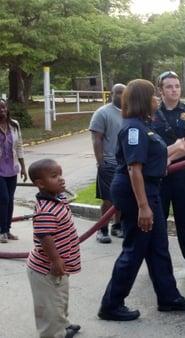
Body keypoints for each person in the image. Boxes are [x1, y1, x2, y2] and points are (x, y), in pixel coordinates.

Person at [98, 79, 185, 321]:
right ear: (143, 100)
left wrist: (173, 150)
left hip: (149, 188)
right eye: (153, 96)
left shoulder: (144, 126)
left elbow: (152, 161)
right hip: (136, 193)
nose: (157, 99)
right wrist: (143, 207)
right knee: (135, 249)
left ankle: (168, 297)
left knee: (158, 247)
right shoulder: (134, 129)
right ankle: (111, 304)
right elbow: (134, 169)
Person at [151, 71, 185, 277]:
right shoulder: (152, 113)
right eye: (169, 86)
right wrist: (163, 160)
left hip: (182, 174)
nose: (174, 90)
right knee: (158, 223)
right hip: (157, 178)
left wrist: (169, 159)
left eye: (177, 86)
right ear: (160, 90)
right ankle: (159, 266)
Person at [26, 159, 81, 338]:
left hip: (59, 266)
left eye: (61, 174)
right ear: (40, 184)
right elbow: (45, 237)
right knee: (49, 306)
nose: (61, 179)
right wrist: (56, 260)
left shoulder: (58, 198)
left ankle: (62, 326)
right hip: (45, 269)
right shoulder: (45, 210)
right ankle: (52, 333)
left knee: (60, 300)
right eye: (54, 176)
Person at [89, 83, 125, 244]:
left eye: (123, 93)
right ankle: (101, 229)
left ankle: (117, 226)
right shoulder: (102, 113)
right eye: (117, 93)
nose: (120, 96)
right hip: (108, 163)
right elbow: (97, 139)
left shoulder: (130, 113)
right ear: (111, 94)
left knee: (122, 198)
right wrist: (100, 162)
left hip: (126, 163)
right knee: (108, 199)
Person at [0, 99, 27, 243]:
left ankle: (7, 230)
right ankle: (1, 231)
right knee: (3, 198)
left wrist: (23, 167)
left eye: (3, 107)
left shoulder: (14, 125)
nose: (2, 110)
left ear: (7, 108)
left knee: (10, 200)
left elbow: (19, 146)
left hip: (12, 168)